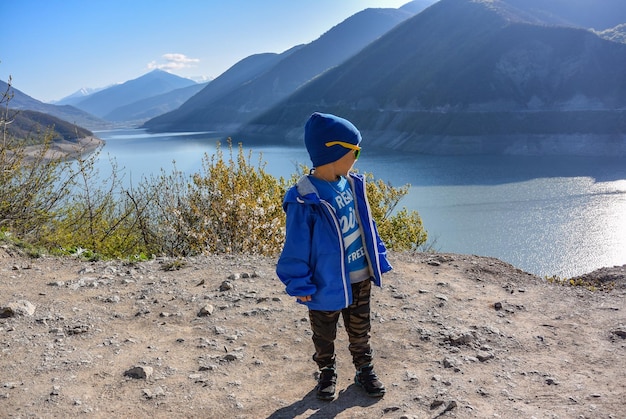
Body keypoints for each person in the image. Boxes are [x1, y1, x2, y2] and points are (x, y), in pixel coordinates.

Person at [276, 112, 393, 400]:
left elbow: (366, 224)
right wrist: (299, 283)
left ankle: (364, 368)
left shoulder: (351, 184)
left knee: (360, 329)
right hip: (324, 282)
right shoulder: (305, 199)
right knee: (324, 334)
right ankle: (326, 371)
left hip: (359, 276)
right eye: (355, 151)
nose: (357, 157)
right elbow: (296, 245)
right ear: (335, 151)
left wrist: (377, 253)